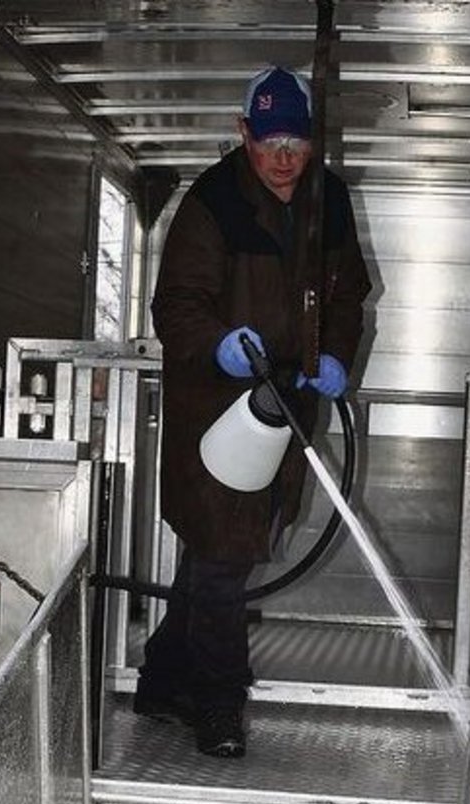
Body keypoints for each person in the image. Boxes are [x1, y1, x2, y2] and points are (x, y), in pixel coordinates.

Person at [135, 66, 372, 757]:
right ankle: (217, 704)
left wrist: (336, 356)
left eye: (296, 141)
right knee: (224, 558)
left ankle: (162, 680)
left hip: (286, 405)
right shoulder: (212, 202)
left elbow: (347, 295)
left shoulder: (329, 199)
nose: (283, 158)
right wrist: (218, 345)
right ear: (244, 134)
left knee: (217, 557)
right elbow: (173, 306)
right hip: (215, 409)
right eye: (269, 141)